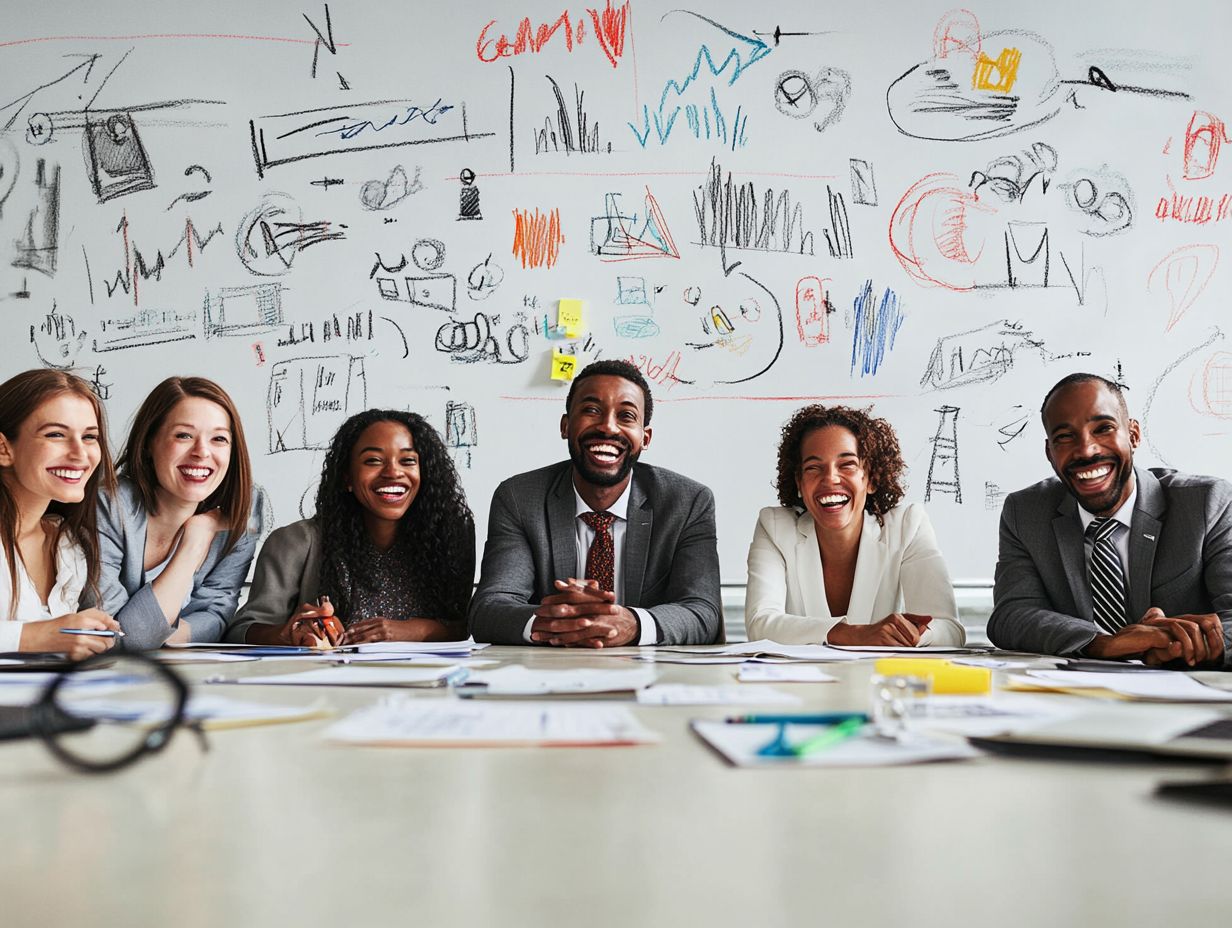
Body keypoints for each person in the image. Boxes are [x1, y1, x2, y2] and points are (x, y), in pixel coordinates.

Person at [468, 359, 722, 647]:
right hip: (546, 677)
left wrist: (633, 624)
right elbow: (489, 608)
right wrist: (563, 620)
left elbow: (702, 613)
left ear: (645, 437)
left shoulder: (688, 503)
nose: (607, 427)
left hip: (653, 680)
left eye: (626, 416)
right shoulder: (519, 498)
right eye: (591, 410)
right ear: (566, 425)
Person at [988, 373, 1232, 668]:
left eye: (1103, 428)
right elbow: (1012, 614)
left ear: (1133, 436)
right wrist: (1103, 643)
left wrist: (1186, 645)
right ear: (1050, 453)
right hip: (1078, 695)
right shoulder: (1025, 512)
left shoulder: (1207, 503)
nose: (1087, 450)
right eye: (1064, 437)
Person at [230, 409, 474, 646]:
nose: (393, 472)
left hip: (427, 681)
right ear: (347, 477)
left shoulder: (450, 536)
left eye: (408, 460)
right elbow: (242, 630)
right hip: (325, 683)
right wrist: (290, 633)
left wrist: (410, 630)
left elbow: (462, 626)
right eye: (373, 461)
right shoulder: (297, 541)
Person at [745, 404, 964, 646]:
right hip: (800, 682)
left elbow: (950, 630)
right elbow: (760, 624)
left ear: (870, 478)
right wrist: (856, 634)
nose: (830, 478)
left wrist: (914, 634)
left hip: (879, 681)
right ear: (799, 483)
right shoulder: (775, 527)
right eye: (813, 468)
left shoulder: (907, 525)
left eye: (847, 464)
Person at [93, 377, 266, 649]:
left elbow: (216, 613)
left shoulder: (243, 509)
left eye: (219, 438)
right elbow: (114, 637)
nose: (201, 452)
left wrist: (158, 635)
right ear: (150, 442)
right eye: (184, 435)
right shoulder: (108, 507)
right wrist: (195, 541)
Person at [0, 369, 122, 660]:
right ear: (4, 449)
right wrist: (36, 636)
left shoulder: (66, 544)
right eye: (56, 434)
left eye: (90, 437)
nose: (80, 454)